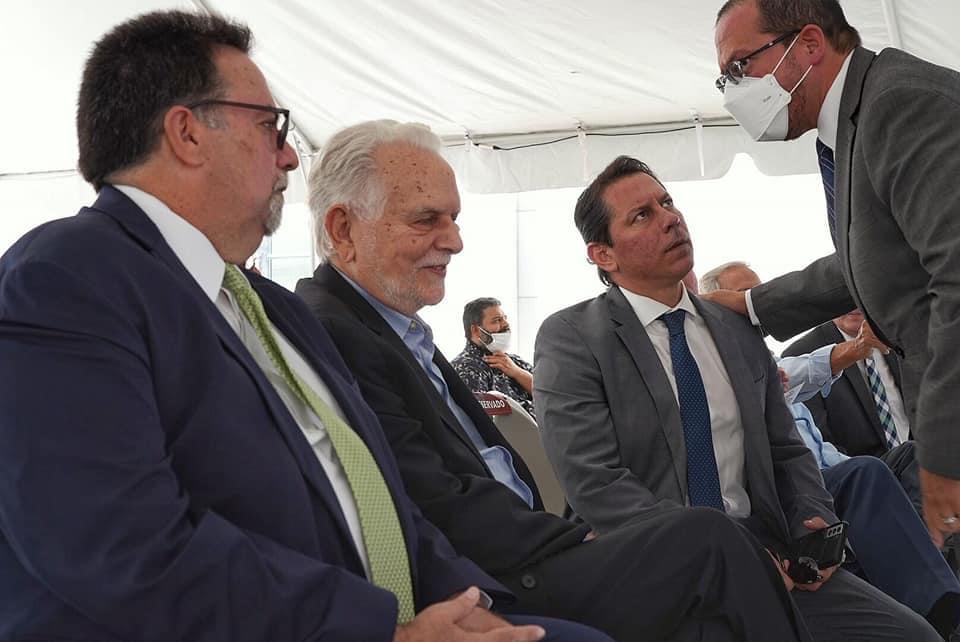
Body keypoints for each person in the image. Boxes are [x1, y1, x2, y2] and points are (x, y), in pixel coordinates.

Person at [0, 11, 610, 642]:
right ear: (187, 134)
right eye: (270, 126)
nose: (290, 155)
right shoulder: (66, 278)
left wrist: (470, 603)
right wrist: (382, 631)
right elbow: (120, 545)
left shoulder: (271, 307)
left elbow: (379, 495)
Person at [296, 119, 815, 642]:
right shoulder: (334, 333)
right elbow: (433, 496)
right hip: (499, 575)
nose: (454, 241)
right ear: (343, 230)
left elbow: (785, 446)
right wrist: (570, 540)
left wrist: (812, 523)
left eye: (453, 219)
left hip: (540, 546)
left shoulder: (400, 331)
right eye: (427, 219)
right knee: (709, 541)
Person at [533, 154, 940, 642]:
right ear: (603, 255)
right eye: (642, 215)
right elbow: (594, 480)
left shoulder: (735, 328)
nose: (670, 219)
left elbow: (786, 448)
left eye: (667, 202)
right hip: (653, 565)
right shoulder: (574, 336)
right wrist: (729, 555)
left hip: (771, 556)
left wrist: (813, 522)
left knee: (912, 636)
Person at [709, 0, 960, 545]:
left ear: (808, 45)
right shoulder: (852, 121)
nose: (733, 92)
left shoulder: (898, 105)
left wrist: (945, 452)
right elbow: (882, 255)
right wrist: (754, 304)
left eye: (740, 67)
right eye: (725, 78)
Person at [452, 298, 535, 416]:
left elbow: (551, 395)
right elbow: (483, 418)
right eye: (497, 320)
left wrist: (518, 373)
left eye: (505, 318)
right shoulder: (466, 367)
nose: (506, 324)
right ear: (475, 330)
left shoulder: (514, 361)